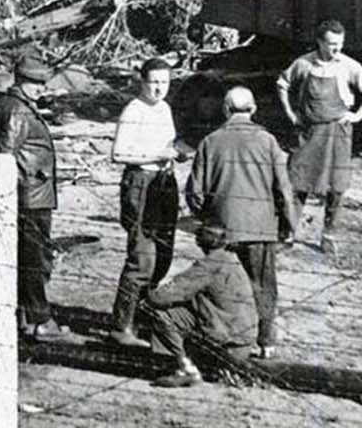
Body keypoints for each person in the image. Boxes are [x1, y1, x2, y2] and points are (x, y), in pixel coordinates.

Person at [186, 85, 300, 358]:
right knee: (262, 285)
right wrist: (289, 225)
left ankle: (226, 338)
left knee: (224, 286)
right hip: (260, 228)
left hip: (221, 229)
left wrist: (206, 216)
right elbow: (283, 189)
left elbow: (195, 193)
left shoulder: (210, 142)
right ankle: (265, 342)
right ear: (254, 109)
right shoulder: (268, 141)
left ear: (225, 110)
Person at [0, 56, 70, 341]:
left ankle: (25, 317)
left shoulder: (15, 106)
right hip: (30, 196)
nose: (40, 88)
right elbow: (4, 156)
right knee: (35, 260)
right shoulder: (18, 111)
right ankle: (40, 320)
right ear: (21, 81)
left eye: (41, 83)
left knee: (28, 258)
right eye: (35, 83)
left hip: (31, 193)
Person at [277, 20, 362, 249]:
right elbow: (282, 83)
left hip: (337, 132)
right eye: (332, 44)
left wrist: (357, 116)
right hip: (309, 131)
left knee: (336, 186)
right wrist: (291, 113)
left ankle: (328, 236)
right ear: (320, 42)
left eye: (340, 44)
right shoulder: (304, 64)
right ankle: (287, 234)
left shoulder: (348, 66)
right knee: (297, 181)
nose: (337, 49)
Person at [108, 56, 183, 347]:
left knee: (163, 254)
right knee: (142, 256)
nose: (159, 89)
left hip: (164, 183)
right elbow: (119, 154)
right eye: (153, 82)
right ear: (142, 81)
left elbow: (167, 144)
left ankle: (143, 317)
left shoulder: (164, 108)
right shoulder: (134, 111)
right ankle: (121, 325)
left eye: (164, 83)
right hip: (141, 182)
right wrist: (156, 156)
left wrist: (174, 153)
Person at [145, 221, 258, 387]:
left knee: (162, 315)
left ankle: (186, 370)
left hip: (227, 340)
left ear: (199, 241)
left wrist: (147, 293)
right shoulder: (231, 259)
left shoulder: (208, 265)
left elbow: (163, 297)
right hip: (244, 337)